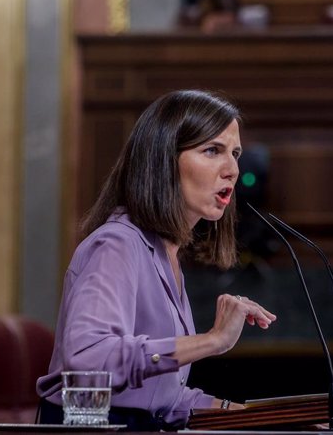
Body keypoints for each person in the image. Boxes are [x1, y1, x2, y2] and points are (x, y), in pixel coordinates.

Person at [36, 89, 277, 430]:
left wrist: (271, 418)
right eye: (212, 150)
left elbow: (163, 401)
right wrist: (211, 340)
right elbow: (88, 360)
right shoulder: (118, 244)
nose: (233, 170)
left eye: (235, 153)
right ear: (163, 159)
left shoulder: (165, 255)